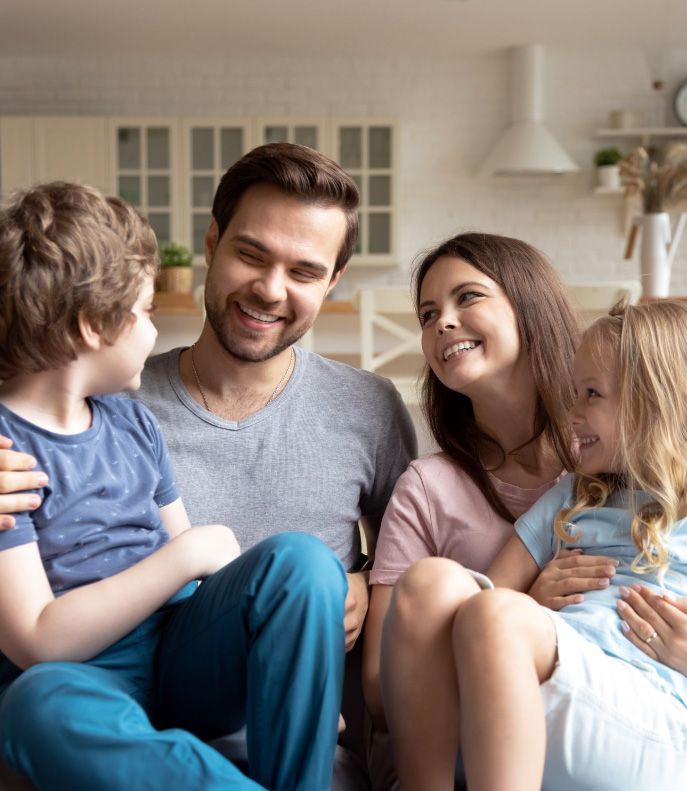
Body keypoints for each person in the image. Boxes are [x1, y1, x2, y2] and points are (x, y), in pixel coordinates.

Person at [0, 143, 416, 787]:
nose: (270, 289)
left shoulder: (370, 408)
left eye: (303, 271)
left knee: (307, 561)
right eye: (251, 254)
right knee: (36, 702)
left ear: (333, 280)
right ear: (212, 241)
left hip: (257, 716)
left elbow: (418, 559)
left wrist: (356, 586)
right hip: (112, 736)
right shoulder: (117, 395)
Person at [381, 300, 687, 789]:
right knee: (430, 581)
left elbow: (496, 612)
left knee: (497, 613)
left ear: (655, 402)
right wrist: (531, 602)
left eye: (592, 394)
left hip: (650, 720)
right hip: (523, 701)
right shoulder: (573, 494)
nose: (572, 413)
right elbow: (489, 597)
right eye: (573, 394)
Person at [361, 233, 624, 788]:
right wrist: (522, 611)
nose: (442, 323)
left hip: (596, 734)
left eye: (468, 298)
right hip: (450, 751)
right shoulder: (427, 490)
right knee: (436, 583)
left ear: (530, 307)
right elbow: (381, 690)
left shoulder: (615, 463)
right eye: (428, 314)